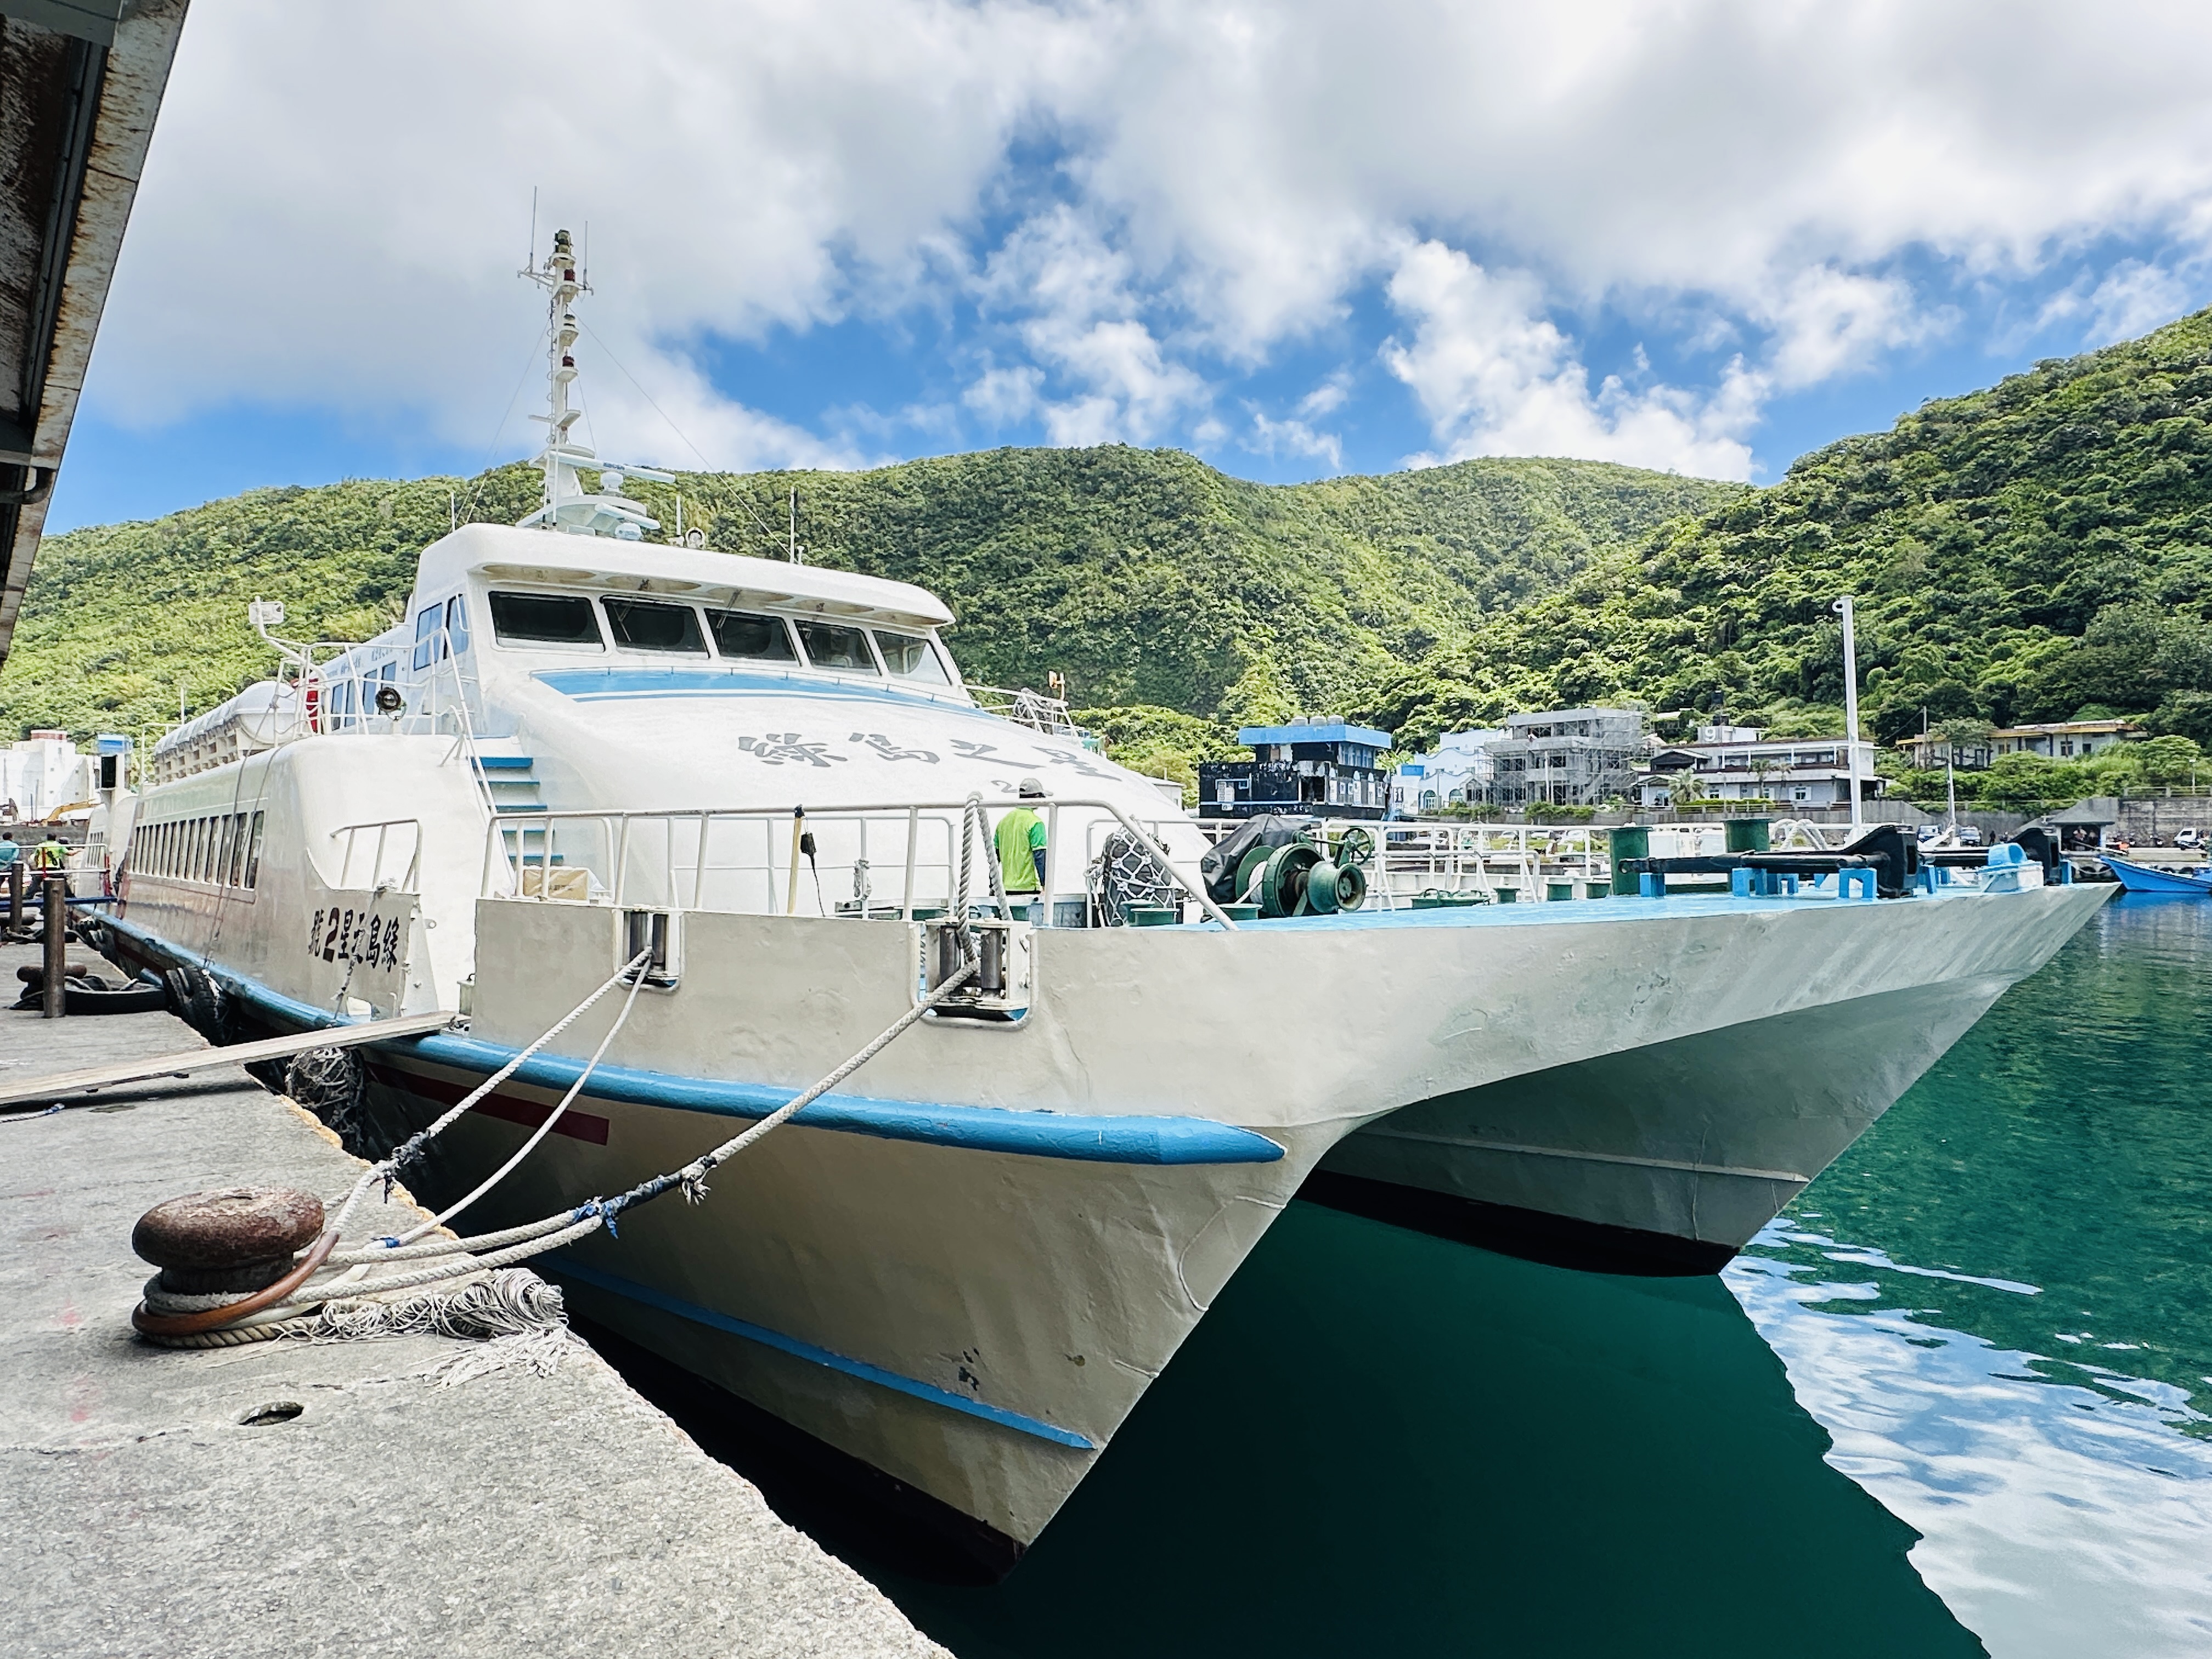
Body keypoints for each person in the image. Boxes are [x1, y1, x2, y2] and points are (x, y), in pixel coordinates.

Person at [995, 777, 1049, 904]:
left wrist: (993, 886)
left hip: (1006, 888)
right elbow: (1040, 857)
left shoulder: (1003, 822)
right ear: (1036, 797)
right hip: (1029, 888)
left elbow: (994, 858)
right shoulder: (1035, 823)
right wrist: (1046, 885)